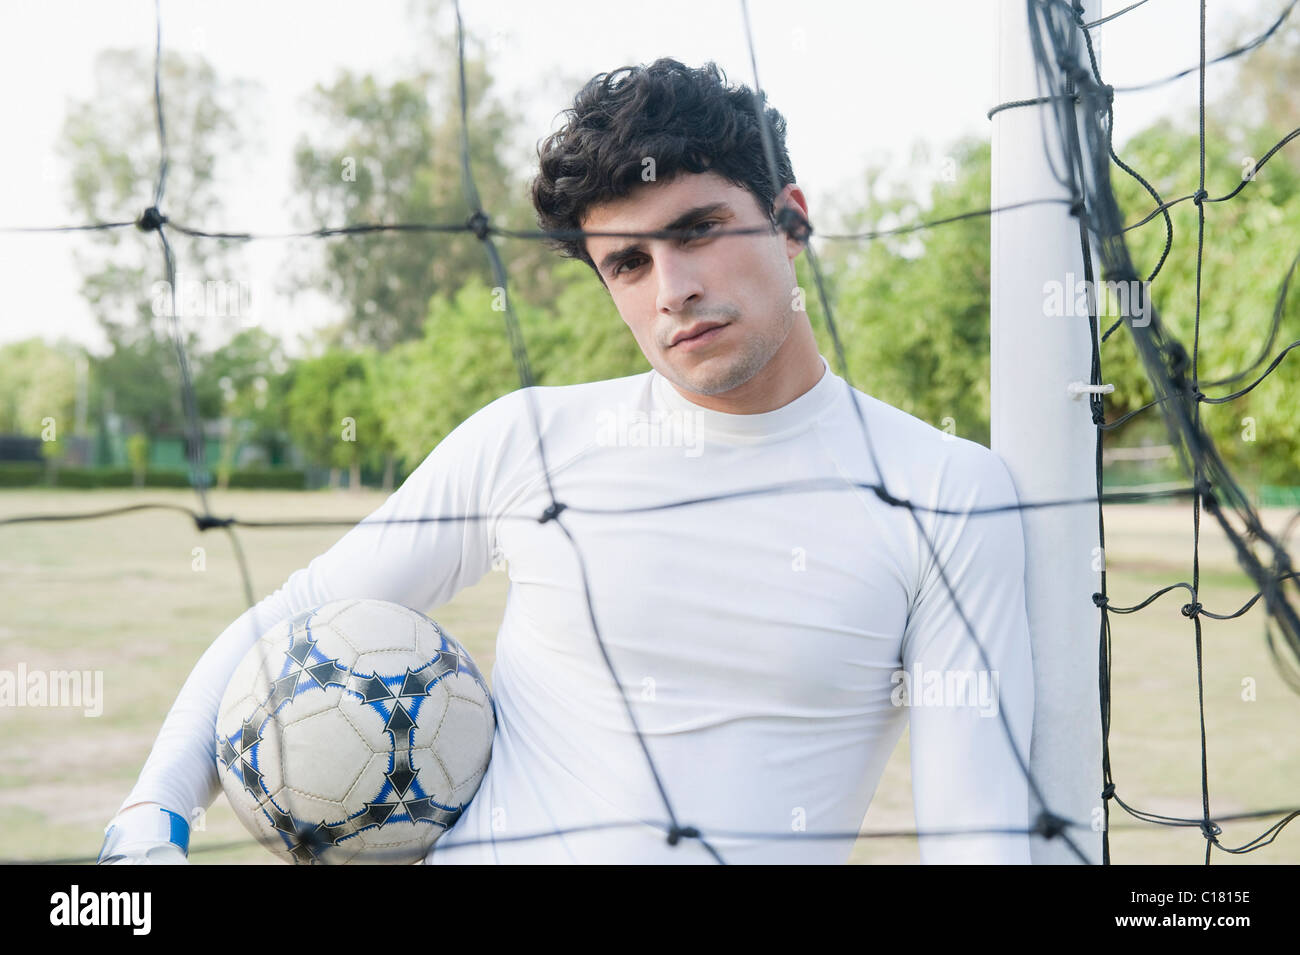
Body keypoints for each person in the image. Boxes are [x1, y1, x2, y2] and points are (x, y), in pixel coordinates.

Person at [99, 58, 1034, 866]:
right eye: (627, 262)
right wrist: (152, 815)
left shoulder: (947, 492)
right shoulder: (531, 439)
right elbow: (289, 618)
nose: (674, 290)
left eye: (698, 229)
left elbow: (977, 837)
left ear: (790, 222)